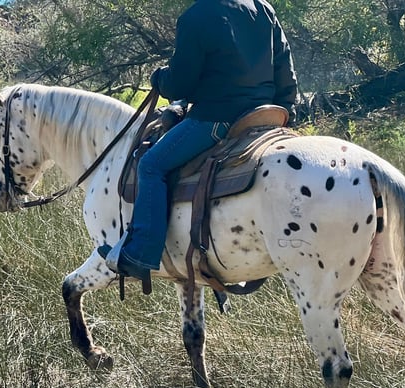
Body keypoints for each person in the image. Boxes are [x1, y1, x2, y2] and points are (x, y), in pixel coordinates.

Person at [102, 0, 298, 284]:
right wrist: (285, 111)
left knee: (151, 165)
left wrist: (159, 78)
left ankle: (140, 255)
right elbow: (284, 68)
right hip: (264, 116)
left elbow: (181, 84)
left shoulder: (198, 15)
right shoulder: (262, 7)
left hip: (219, 118)